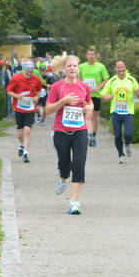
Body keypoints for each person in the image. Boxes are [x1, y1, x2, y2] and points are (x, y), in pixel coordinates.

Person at [43, 55, 92, 215]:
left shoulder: (84, 86)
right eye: (69, 66)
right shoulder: (57, 87)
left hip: (80, 131)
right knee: (65, 164)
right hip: (61, 131)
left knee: (79, 164)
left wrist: (88, 108)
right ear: (64, 68)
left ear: (78, 68)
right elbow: (48, 110)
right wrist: (63, 101)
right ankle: (63, 177)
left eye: (75, 66)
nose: (72, 68)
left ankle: (74, 202)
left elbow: (89, 103)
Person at [97, 59, 139, 161]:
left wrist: (138, 93)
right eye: (118, 67)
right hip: (116, 112)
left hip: (128, 111)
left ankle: (127, 144)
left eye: (122, 67)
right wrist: (107, 98)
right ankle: (121, 154)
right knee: (118, 135)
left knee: (128, 134)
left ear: (125, 67)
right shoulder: (112, 81)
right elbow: (102, 96)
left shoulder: (132, 80)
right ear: (115, 69)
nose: (121, 69)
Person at [4, 61, 44, 164]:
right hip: (19, 108)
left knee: (27, 131)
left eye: (31, 72)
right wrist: (17, 96)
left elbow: (39, 90)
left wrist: (37, 97)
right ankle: (21, 145)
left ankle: (26, 153)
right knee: (20, 134)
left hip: (30, 109)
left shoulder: (36, 79)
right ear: (24, 70)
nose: (29, 74)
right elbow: (9, 91)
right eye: (27, 71)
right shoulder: (16, 78)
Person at [77, 48, 110, 135]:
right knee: (87, 115)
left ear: (95, 56)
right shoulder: (82, 66)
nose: (90, 56)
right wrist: (82, 88)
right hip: (85, 95)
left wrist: (98, 88)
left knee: (95, 116)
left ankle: (94, 134)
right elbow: (79, 78)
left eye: (92, 54)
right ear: (86, 55)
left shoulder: (100, 66)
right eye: (89, 54)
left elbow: (106, 79)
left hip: (96, 95)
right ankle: (86, 133)